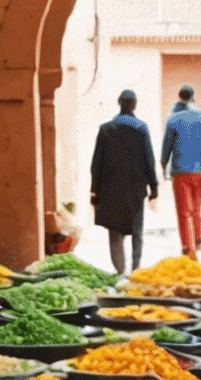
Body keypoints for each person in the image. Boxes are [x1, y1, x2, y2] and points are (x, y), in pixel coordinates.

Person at [89, 90, 160, 274]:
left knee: (115, 231)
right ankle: (135, 270)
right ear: (134, 104)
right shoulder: (141, 129)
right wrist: (153, 188)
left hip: (110, 188)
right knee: (137, 229)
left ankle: (120, 272)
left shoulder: (106, 129)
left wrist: (95, 191)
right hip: (135, 189)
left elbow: (96, 163)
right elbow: (149, 160)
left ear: (119, 102)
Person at [159, 84, 201, 258]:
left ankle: (188, 247)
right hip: (200, 171)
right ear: (193, 96)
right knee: (196, 208)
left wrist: (163, 165)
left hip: (180, 171)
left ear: (179, 96)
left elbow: (166, 146)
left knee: (184, 212)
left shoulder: (173, 119)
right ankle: (198, 239)